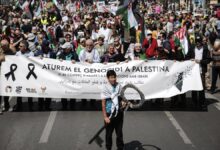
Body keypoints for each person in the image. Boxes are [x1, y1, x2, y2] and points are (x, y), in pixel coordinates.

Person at [101, 70, 124, 150]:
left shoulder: (119, 86)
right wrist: (105, 117)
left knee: (119, 134)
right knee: (108, 135)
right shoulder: (105, 88)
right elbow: (103, 103)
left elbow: (122, 98)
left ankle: (120, 148)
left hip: (119, 114)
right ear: (108, 78)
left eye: (114, 77)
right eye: (111, 77)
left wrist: (123, 102)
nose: (113, 79)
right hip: (109, 114)